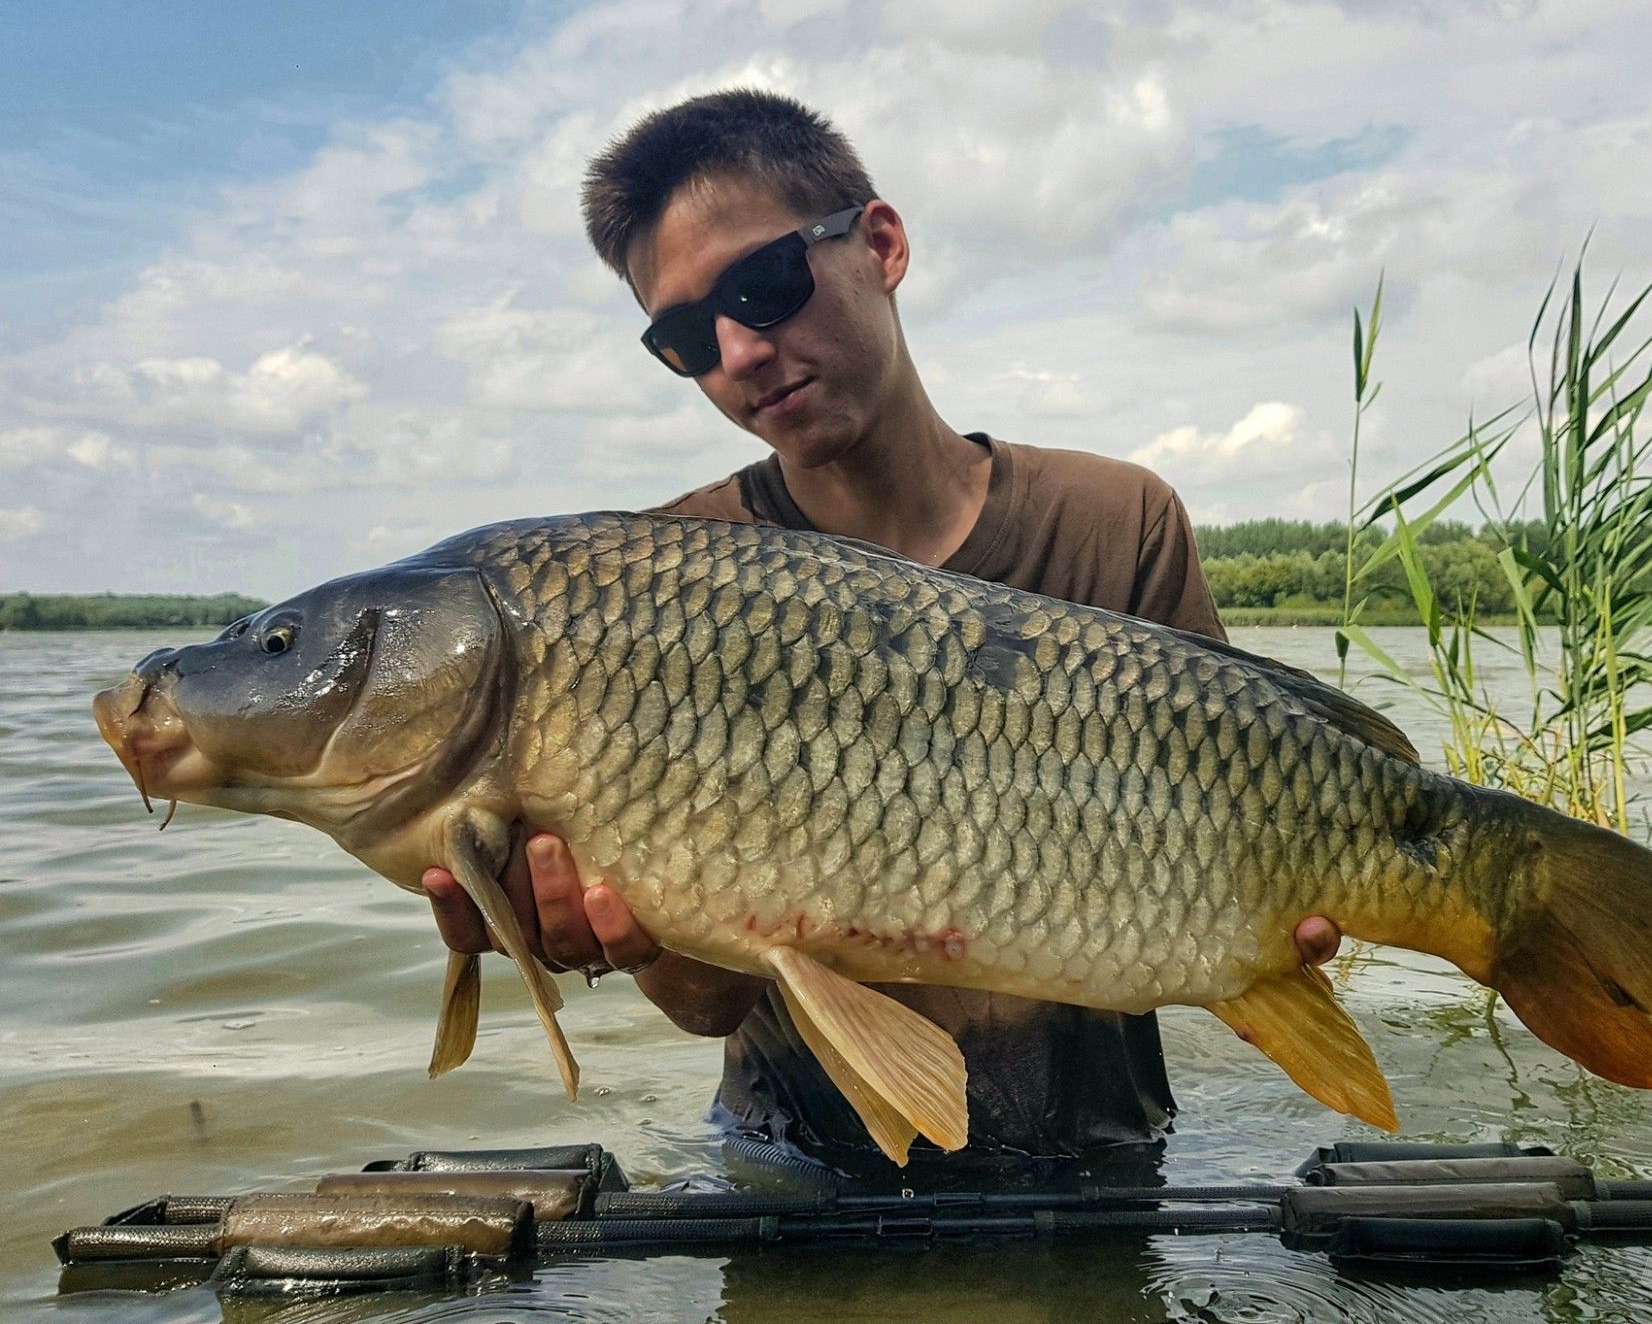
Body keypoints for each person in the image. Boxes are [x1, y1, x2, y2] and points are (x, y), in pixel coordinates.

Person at [424, 90, 1342, 1163]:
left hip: (1097, 1149)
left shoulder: (1115, 522)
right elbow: (708, 1004)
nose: (738, 352)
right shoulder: (658, 579)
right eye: (683, 336)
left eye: (761, 287)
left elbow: (1245, 834)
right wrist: (622, 946)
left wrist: (1280, 930)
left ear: (881, 244)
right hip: (793, 1158)